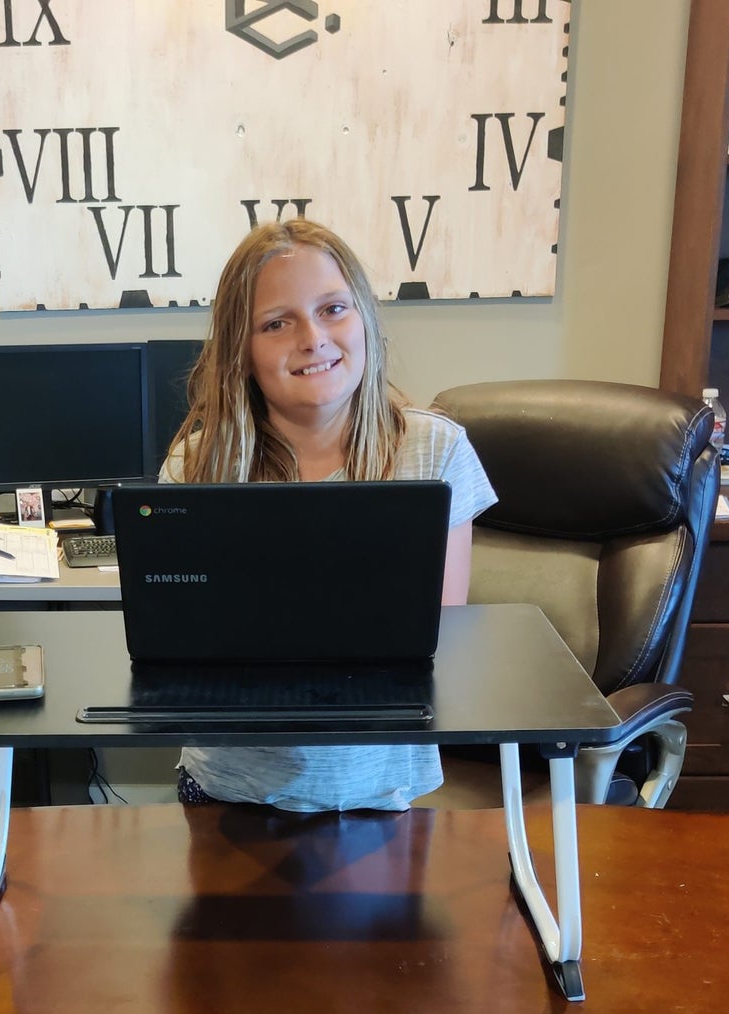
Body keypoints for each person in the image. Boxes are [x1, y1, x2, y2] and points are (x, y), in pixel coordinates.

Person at [160, 219, 498, 813]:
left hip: (380, 784)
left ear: (365, 316)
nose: (313, 338)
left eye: (333, 309)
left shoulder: (434, 452)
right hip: (229, 787)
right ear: (241, 349)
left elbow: (436, 636)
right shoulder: (198, 461)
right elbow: (189, 643)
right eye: (276, 323)